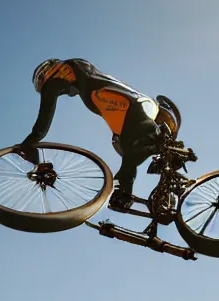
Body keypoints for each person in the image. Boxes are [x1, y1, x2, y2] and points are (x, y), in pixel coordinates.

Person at [17, 58, 181, 209]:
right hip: (139, 106)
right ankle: (166, 187)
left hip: (133, 110)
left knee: (134, 149)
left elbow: (42, 124)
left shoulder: (58, 77)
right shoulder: (85, 74)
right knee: (130, 158)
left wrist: (27, 144)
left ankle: (164, 154)